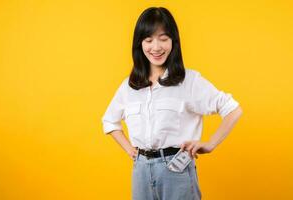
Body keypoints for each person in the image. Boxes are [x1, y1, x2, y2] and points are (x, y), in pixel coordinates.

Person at [101, 7, 243, 200]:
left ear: (173, 42)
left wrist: (210, 144)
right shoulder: (130, 86)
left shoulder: (189, 81)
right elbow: (109, 121)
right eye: (148, 40)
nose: (156, 47)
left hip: (176, 169)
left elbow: (232, 109)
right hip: (140, 171)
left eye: (163, 38)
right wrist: (130, 150)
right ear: (139, 44)